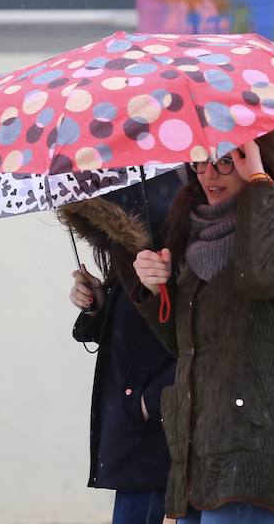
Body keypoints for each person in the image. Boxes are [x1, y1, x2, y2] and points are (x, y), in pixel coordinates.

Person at [132, 123, 274, 523]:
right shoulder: (193, 233)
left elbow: (261, 275)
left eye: (225, 161)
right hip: (199, 451)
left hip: (258, 448)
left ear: (264, 161)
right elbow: (188, 347)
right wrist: (156, 291)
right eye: (200, 161)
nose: (209, 175)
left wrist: (258, 184)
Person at [61, 169, 183, 524]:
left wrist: (148, 404)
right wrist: (99, 304)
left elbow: (198, 341)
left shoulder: (165, 256)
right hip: (137, 440)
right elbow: (138, 329)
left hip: (155, 439)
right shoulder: (130, 262)